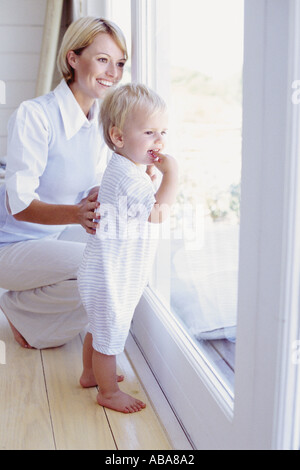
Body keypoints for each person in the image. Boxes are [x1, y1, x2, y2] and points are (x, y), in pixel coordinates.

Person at [0, 17, 128, 350]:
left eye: (119, 63)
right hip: (7, 245)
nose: (112, 73)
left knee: (120, 256)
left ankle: (23, 310)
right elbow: (20, 204)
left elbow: (89, 183)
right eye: (102, 60)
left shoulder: (99, 120)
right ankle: (21, 310)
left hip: (52, 236)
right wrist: (76, 214)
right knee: (98, 268)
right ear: (73, 58)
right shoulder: (35, 116)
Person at [78, 83, 179, 413]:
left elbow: (133, 202)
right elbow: (156, 214)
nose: (159, 141)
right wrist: (171, 176)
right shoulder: (129, 177)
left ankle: (90, 373)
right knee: (109, 336)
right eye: (149, 132)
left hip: (101, 270)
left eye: (162, 131)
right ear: (119, 137)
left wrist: (150, 177)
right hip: (112, 277)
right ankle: (107, 393)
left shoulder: (124, 168)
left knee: (98, 327)